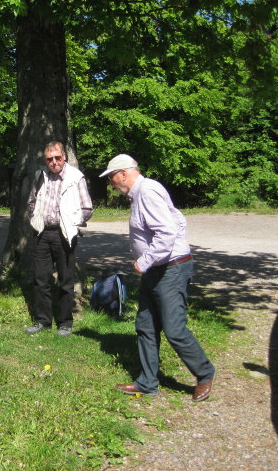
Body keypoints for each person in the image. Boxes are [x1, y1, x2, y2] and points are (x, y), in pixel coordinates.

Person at [100, 154, 215, 401]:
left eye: (111, 177)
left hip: (170, 269)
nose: (111, 183)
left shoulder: (147, 191)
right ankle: (147, 382)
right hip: (157, 269)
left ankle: (205, 373)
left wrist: (144, 261)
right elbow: (178, 220)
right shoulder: (140, 194)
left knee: (174, 329)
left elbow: (166, 233)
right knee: (146, 326)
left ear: (123, 173)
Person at [26, 141, 93, 336]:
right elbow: (31, 201)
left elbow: (87, 208)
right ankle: (43, 321)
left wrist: (72, 222)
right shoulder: (40, 175)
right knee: (41, 279)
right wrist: (35, 219)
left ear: (64, 157)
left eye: (57, 157)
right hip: (42, 233)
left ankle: (65, 322)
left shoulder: (75, 177)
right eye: (49, 159)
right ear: (45, 160)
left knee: (66, 280)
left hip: (64, 234)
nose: (54, 162)